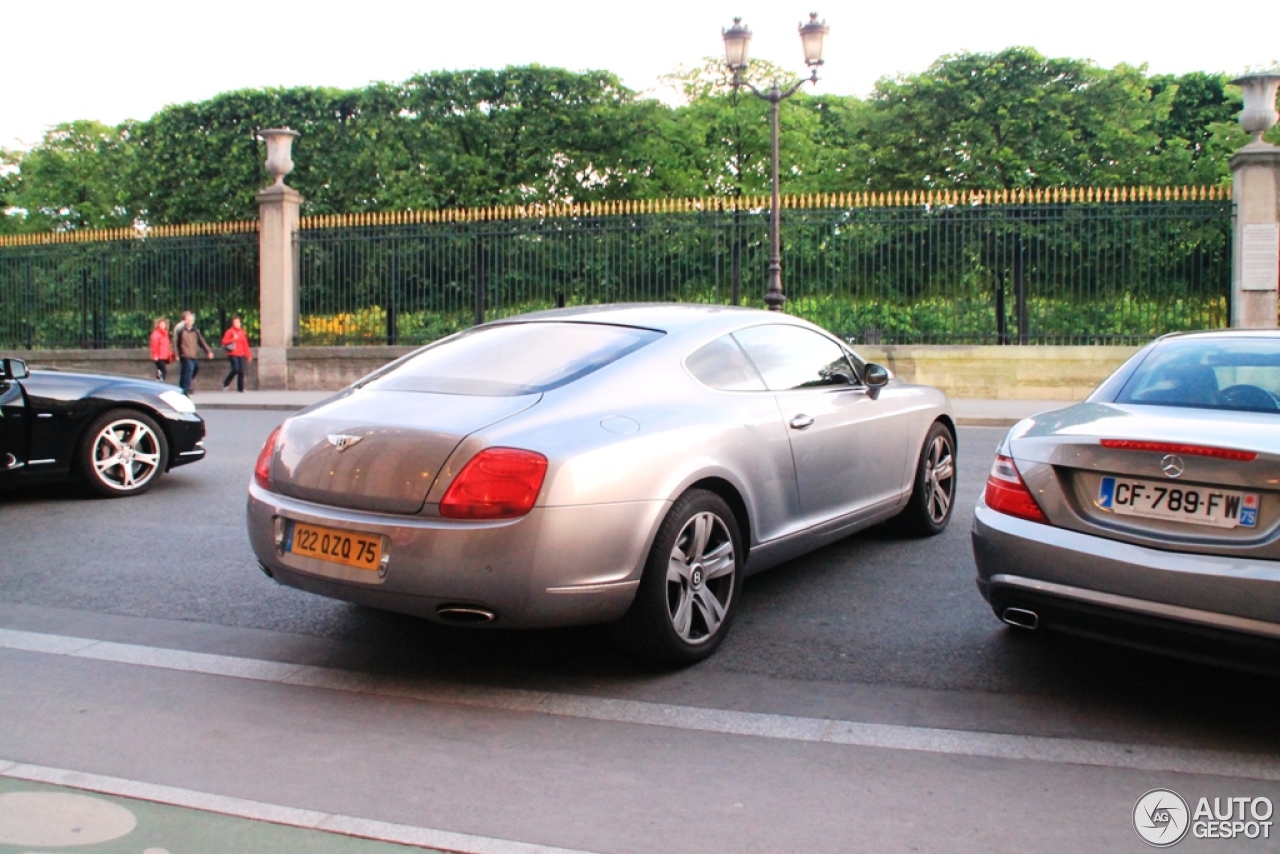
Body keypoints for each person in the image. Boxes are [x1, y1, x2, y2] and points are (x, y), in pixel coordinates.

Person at [172, 310, 214, 395]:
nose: (189, 322)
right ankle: (187, 388)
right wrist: (176, 354)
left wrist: (208, 351)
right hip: (185, 354)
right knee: (189, 369)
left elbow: (201, 341)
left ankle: (183, 385)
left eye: (191, 320)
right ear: (185, 321)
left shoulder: (195, 331)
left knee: (194, 368)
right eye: (188, 320)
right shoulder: (181, 330)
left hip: (193, 354)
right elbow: (175, 342)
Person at [220, 315, 253, 392]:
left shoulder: (242, 332)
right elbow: (224, 341)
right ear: (233, 323)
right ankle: (226, 383)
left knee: (241, 370)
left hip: (241, 353)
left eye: (238, 322)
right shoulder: (230, 331)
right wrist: (232, 339)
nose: (237, 324)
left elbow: (245, 344)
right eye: (235, 322)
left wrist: (248, 355)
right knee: (235, 369)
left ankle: (241, 388)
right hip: (233, 353)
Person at [149, 317, 174, 382]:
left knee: (160, 371)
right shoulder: (156, 334)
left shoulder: (165, 333)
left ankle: (159, 381)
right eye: (161, 324)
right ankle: (161, 382)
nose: (163, 325)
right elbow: (154, 345)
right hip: (159, 356)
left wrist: (169, 354)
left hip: (164, 356)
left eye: (164, 324)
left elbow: (166, 345)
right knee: (162, 371)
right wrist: (155, 355)